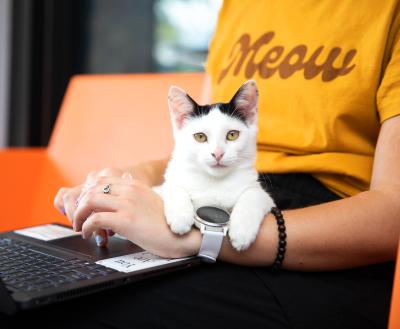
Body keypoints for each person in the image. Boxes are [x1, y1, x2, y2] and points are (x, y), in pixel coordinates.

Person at [4, 1, 400, 328]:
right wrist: (129, 181)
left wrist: (198, 238)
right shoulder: (238, 8)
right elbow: (203, 143)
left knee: (69, 311)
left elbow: (391, 214)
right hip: (218, 204)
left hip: (322, 245)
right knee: (27, 284)